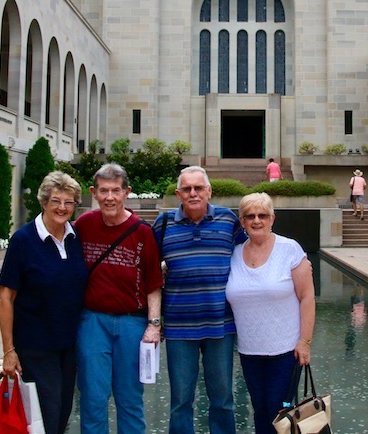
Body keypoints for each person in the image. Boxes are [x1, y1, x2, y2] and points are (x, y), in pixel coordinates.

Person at [152, 166, 247, 434]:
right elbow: (148, 272)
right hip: (180, 328)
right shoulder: (164, 223)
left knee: (223, 400)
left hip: (220, 325)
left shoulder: (228, 220)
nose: (193, 193)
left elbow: (251, 256)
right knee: (181, 401)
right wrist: (154, 321)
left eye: (198, 188)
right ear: (178, 193)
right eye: (187, 189)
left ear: (209, 191)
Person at [74, 163, 164, 434]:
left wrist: (154, 325)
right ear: (93, 192)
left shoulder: (142, 232)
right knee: (93, 398)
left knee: (130, 400)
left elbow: (153, 284)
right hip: (93, 322)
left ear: (127, 192)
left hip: (131, 324)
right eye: (103, 191)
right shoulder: (83, 226)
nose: (109, 197)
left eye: (115, 190)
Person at [0, 171, 89, 434]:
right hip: (36, 346)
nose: (62, 208)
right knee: (46, 415)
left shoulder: (76, 238)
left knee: (62, 412)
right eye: (56, 201)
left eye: (69, 202)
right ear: (44, 202)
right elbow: (6, 296)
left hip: (68, 345)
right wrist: (8, 351)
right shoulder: (24, 240)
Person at [226, 193, 315, 434]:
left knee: (281, 412)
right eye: (250, 216)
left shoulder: (289, 249)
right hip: (250, 351)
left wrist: (304, 342)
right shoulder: (234, 254)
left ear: (272, 219)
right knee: (260, 410)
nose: (257, 221)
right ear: (242, 221)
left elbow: (307, 297)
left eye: (262, 215)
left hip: (285, 351)